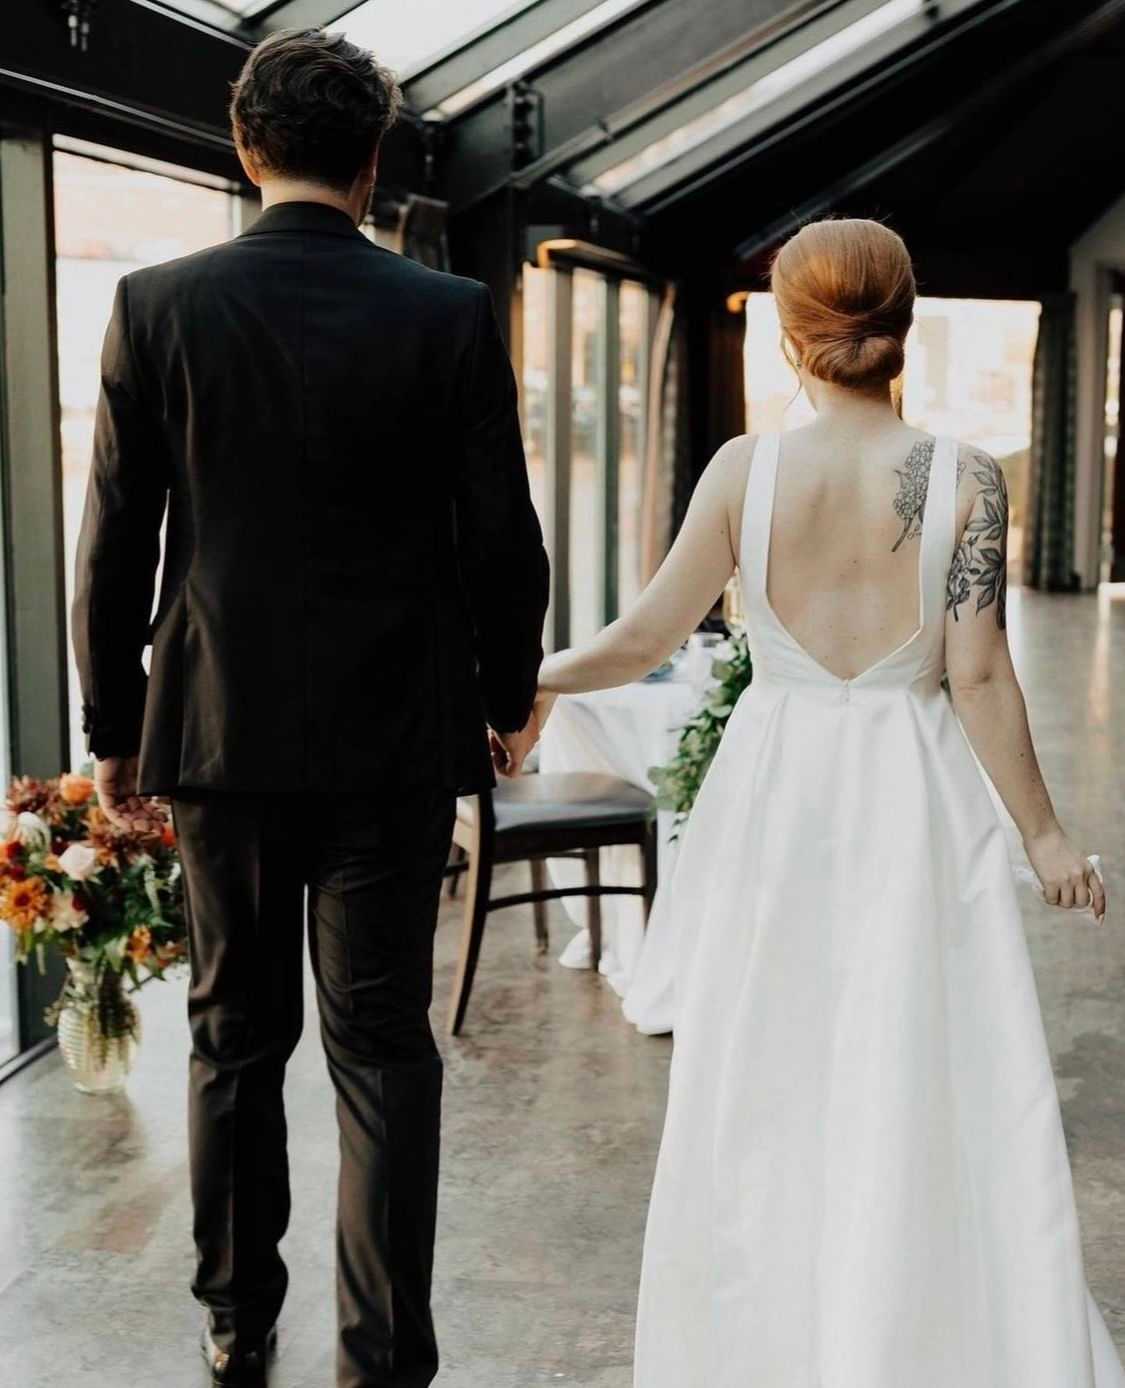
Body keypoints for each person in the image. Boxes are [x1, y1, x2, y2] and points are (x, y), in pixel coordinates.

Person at [531, 219, 1121, 1385]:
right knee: (923, 1061)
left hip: (779, 795)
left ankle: (765, 1339)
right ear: (903, 330)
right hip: (914, 796)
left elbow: (649, 632)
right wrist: (1043, 832)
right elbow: (980, 670)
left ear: (791, 337)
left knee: (769, 1066)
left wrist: (537, 682)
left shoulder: (744, 474)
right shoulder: (966, 478)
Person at [71, 27, 548, 1388]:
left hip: (218, 733)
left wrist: (115, 729)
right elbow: (501, 536)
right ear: (376, 160)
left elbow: (112, 542)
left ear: (244, 147)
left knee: (232, 1032)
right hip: (395, 736)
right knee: (383, 1047)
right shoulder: (446, 315)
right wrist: (506, 697)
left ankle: (234, 1319)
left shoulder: (157, 307)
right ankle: (386, 1350)